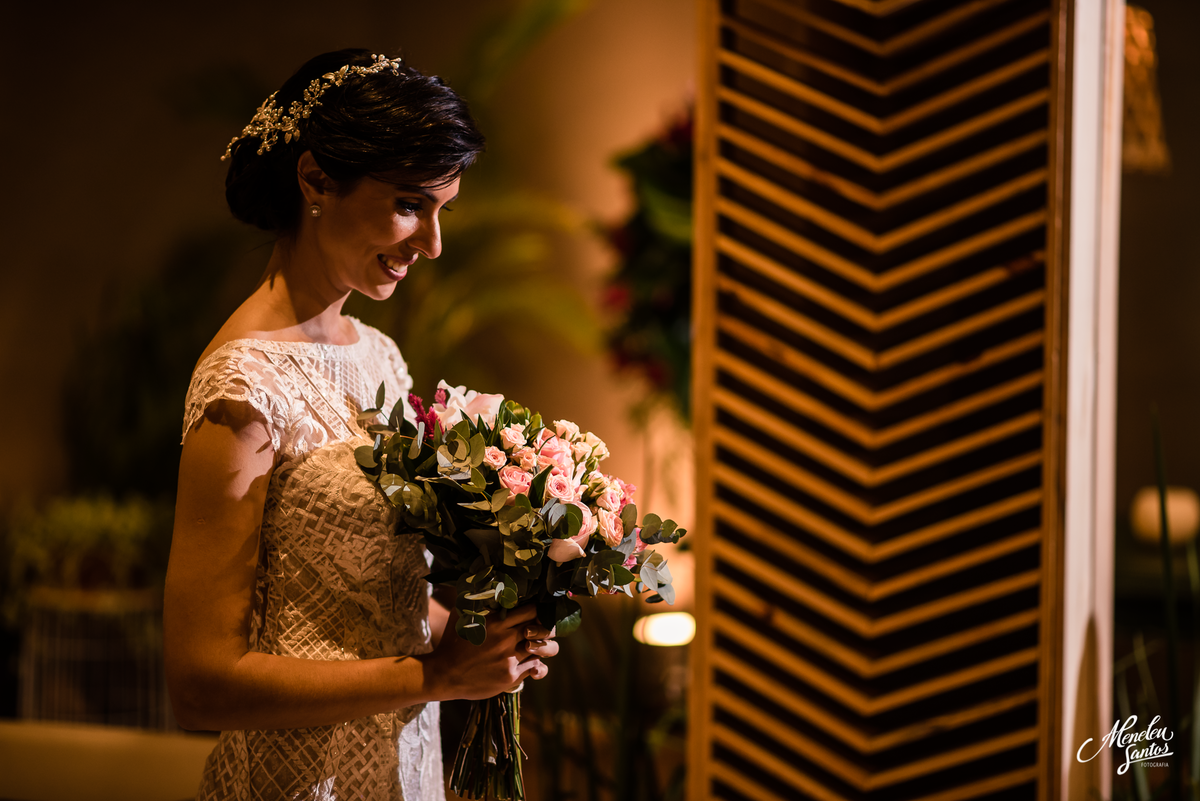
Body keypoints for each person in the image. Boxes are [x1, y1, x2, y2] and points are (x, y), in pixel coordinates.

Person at [163, 49, 558, 800]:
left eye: (443, 210)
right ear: (315, 180)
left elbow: (373, 595)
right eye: (412, 204)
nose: (433, 243)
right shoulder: (242, 389)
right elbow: (200, 685)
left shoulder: (379, 356)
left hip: (405, 768)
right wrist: (433, 676)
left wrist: (480, 630)